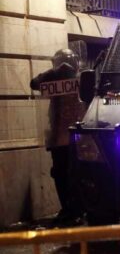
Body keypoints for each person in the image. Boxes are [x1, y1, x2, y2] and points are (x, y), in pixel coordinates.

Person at [30, 49, 87, 223]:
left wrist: (54, 72)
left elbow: (35, 82)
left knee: (66, 174)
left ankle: (73, 209)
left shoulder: (77, 78)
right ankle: (73, 209)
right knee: (66, 174)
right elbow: (34, 83)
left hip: (68, 136)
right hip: (67, 136)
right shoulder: (74, 77)